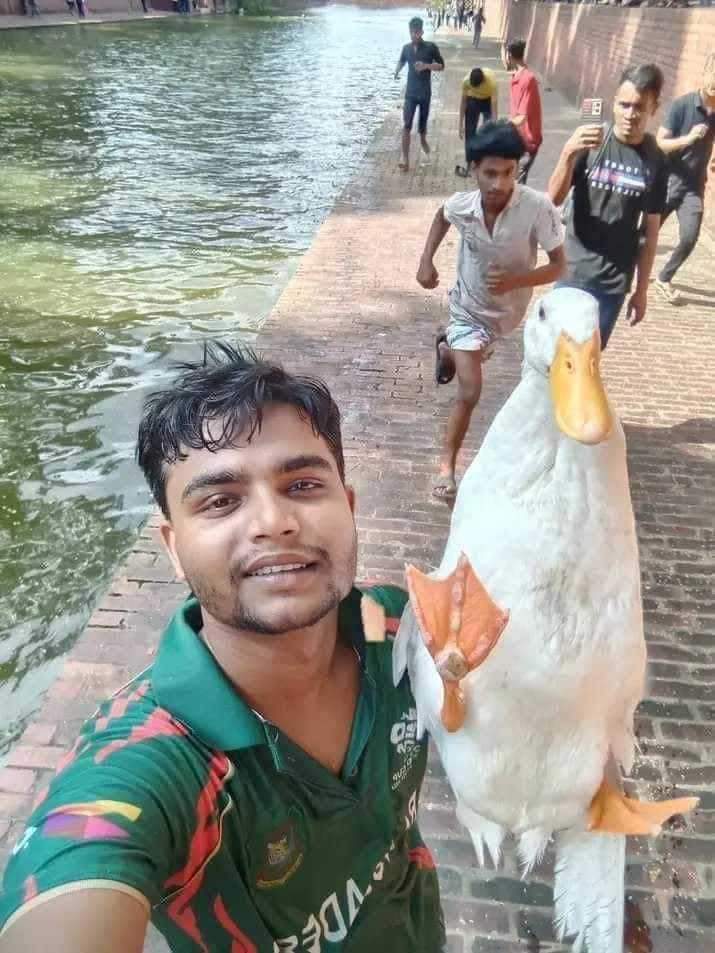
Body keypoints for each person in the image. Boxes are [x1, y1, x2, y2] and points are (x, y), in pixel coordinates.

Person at [0, 345, 445, 953]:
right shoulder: (158, 759)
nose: (274, 521)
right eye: (220, 500)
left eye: (303, 485)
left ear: (349, 507)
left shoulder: (389, 627)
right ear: (173, 548)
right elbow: (81, 863)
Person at [417, 122, 565, 501]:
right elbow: (442, 215)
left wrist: (517, 280)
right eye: (490, 173)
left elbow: (559, 266)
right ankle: (447, 467)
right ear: (473, 170)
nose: (499, 183)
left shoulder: (537, 208)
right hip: (466, 309)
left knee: (472, 356)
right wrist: (426, 261)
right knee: (470, 390)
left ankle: (448, 349)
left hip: (506, 316)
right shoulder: (463, 205)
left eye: (508, 172)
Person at [548, 63, 668, 349]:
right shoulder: (591, 142)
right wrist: (567, 153)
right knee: (555, 356)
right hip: (572, 271)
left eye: (639, 107)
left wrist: (641, 290)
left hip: (613, 284)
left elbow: (650, 232)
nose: (630, 114)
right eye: (624, 105)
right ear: (614, 103)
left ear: (653, 108)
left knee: (588, 362)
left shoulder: (656, 160)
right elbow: (552, 200)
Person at [654, 53, 715, 303]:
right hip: (668, 181)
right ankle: (626, 268)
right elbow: (660, 143)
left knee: (690, 237)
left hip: (693, 187)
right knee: (646, 234)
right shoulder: (681, 106)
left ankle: (664, 278)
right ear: (705, 73)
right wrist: (688, 139)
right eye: (713, 75)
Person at [394, 17, 445, 172]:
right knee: (406, 125)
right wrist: (397, 71)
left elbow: (441, 66)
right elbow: (402, 61)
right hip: (410, 93)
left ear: (422, 32)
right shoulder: (406, 48)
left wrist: (426, 66)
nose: (413, 35)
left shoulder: (430, 47)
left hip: (424, 94)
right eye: (411, 32)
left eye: (416, 32)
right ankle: (405, 159)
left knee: (422, 127)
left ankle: (423, 140)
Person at [504, 39, 542, 184]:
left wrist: (501, 126)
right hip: (517, 138)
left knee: (517, 184)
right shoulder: (517, 76)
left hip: (528, 142)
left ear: (509, 56)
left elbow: (521, 118)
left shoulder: (527, 79)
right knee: (512, 180)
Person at [456, 66, 498, 177]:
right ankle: (469, 164)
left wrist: (494, 126)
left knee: (487, 133)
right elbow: (463, 103)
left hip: (487, 100)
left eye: (478, 87)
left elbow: (494, 107)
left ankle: (485, 164)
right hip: (473, 100)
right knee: (469, 133)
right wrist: (460, 125)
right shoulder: (466, 81)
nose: (477, 89)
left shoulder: (491, 82)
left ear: (483, 81)